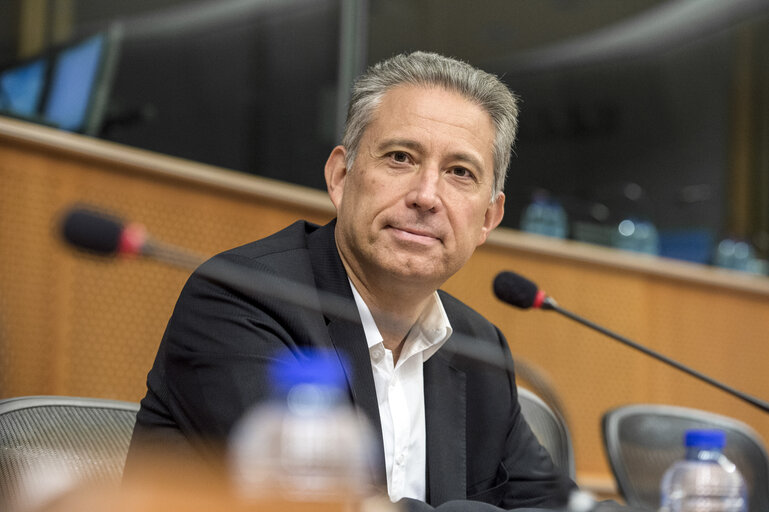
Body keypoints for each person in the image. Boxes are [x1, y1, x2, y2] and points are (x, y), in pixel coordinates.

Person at [126, 51, 576, 510]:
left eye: (460, 172)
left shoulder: (478, 347)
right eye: (400, 158)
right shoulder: (242, 298)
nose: (426, 196)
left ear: (488, 217)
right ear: (341, 177)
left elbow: (556, 504)